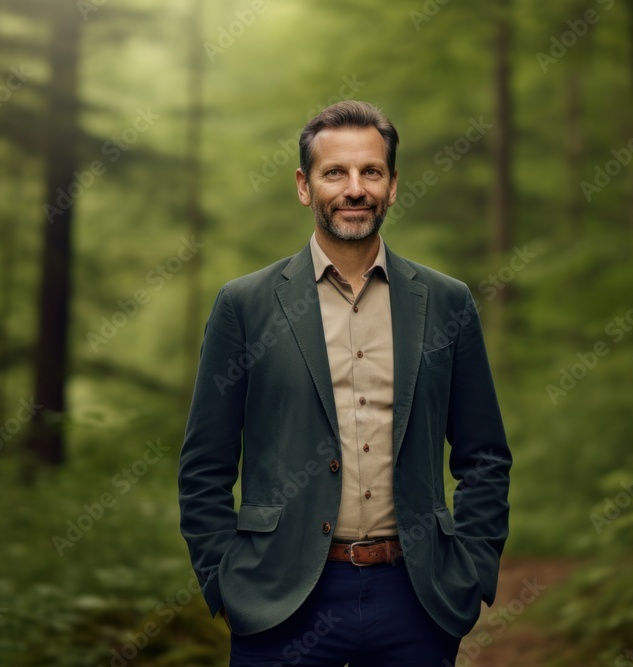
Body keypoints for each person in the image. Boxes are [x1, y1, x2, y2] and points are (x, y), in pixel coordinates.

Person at [178, 100, 511, 666]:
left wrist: (472, 570)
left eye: (370, 172)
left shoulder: (446, 302)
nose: (354, 188)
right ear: (305, 187)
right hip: (280, 600)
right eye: (335, 172)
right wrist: (224, 580)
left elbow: (484, 456)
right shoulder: (246, 306)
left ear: (393, 185)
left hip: (417, 599)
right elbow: (204, 464)